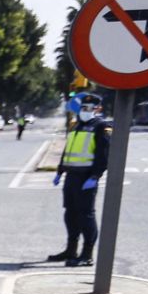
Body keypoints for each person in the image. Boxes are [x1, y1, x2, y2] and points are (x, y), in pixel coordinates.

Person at [48, 96, 111, 267]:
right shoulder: (77, 125)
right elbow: (68, 150)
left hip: (86, 178)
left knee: (86, 216)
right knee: (70, 214)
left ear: (98, 109)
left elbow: (103, 155)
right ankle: (71, 249)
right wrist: (60, 171)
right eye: (83, 107)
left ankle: (87, 254)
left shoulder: (101, 127)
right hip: (71, 177)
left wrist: (95, 176)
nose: (85, 110)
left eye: (89, 108)